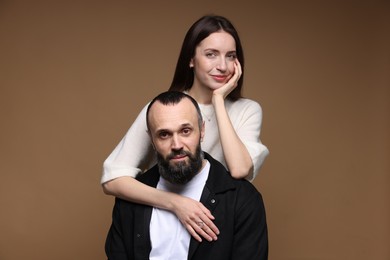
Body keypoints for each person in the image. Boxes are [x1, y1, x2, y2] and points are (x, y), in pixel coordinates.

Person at [102, 15, 269, 242]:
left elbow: (239, 170)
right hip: (165, 220)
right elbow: (113, 179)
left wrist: (218, 99)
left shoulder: (247, 110)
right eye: (211, 54)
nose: (222, 66)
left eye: (230, 56)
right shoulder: (164, 109)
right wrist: (175, 203)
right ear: (191, 59)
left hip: (217, 225)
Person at [105, 91, 268, 260]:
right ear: (152, 140)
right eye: (164, 134)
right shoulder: (131, 199)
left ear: (202, 130)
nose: (176, 145)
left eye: (185, 131)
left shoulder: (242, 199)